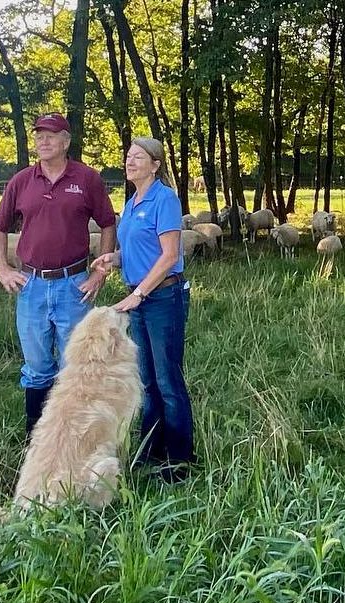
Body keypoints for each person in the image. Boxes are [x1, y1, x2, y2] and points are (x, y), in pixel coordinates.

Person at [0, 112, 118, 439]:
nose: (43, 141)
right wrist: (3, 267)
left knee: (74, 367)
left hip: (73, 284)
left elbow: (107, 223)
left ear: (66, 141)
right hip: (31, 285)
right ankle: (37, 441)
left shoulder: (87, 179)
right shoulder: (21, 181)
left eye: (51, 135)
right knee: (36, 369)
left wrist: (100, 272)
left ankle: (73, 440)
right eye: (38, 136)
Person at [93, 137, 197, 482]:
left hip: (162, 299)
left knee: (168, 380)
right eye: (127, 157)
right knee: (147, 380)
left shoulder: (164, 198)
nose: (130, 161)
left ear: (155, 165)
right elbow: (141, 249)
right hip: (137, 297)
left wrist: (138, 293)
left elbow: (168, 256)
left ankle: (180, 461)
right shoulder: (132, 200)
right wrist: (115, 257)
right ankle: (150, 451)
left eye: (138, 157)